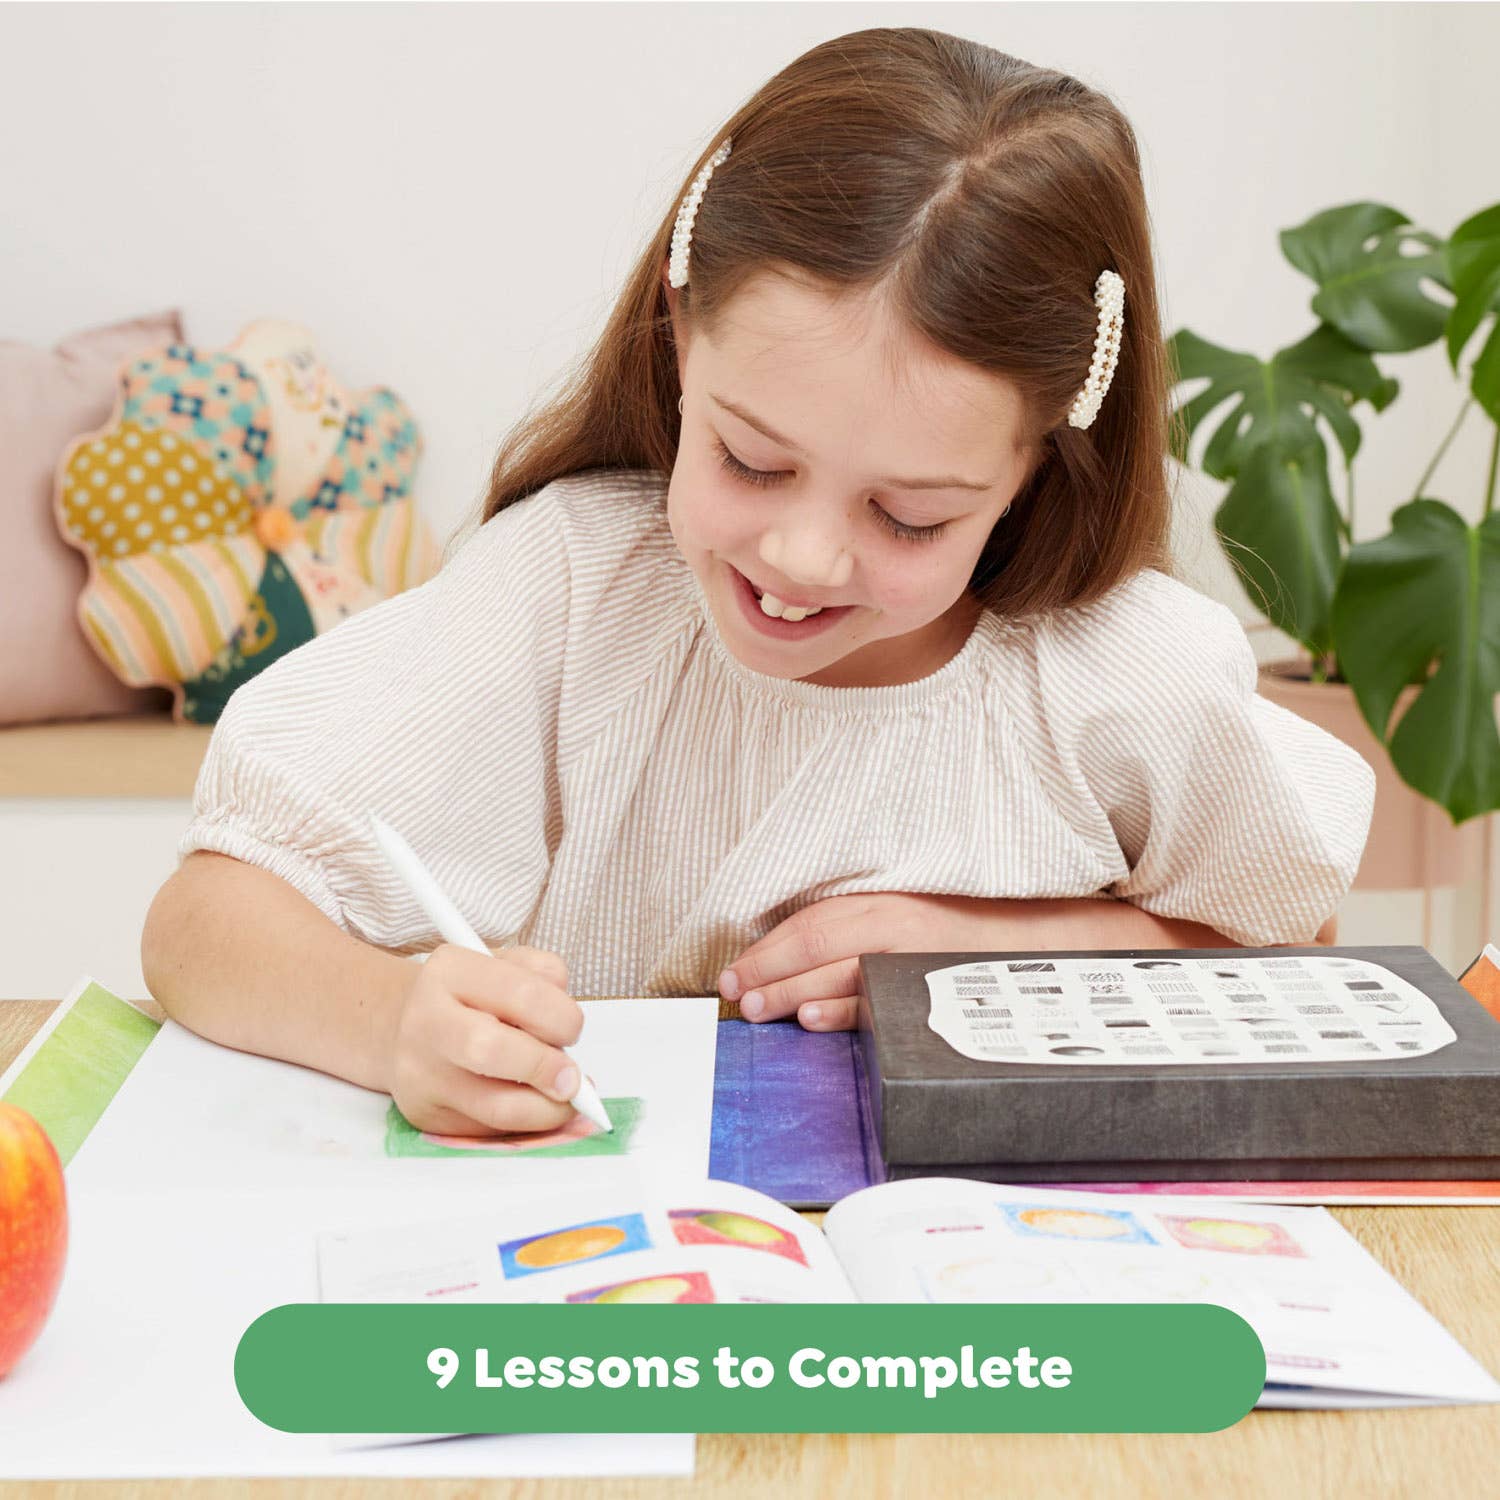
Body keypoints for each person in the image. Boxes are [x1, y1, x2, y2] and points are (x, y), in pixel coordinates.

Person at [140, 27, 1374, 1138]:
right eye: (752, 460)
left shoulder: (1128, 675)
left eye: (909, 515)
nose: (801, 559)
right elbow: (201, 922)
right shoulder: (572, 588)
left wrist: (989, 947)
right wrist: (391, 1024)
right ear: (682, 336)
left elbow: (1288, 938)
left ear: (1036, 464)